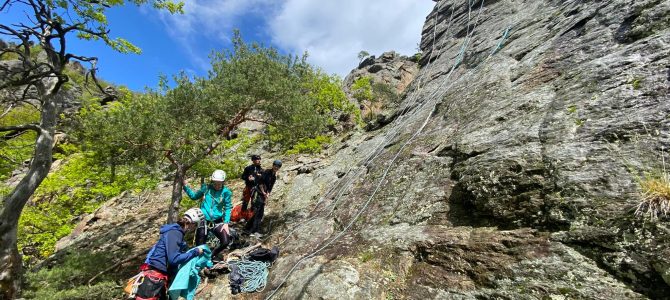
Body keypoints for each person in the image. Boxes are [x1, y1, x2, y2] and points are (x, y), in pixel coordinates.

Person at [135, 208, 204, 300]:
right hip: (153, 280)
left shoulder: (174, 232)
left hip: (156, 278)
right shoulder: (175, 233)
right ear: (192, 224)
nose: (193, 229)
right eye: (195, 226)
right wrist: (195, 252)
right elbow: (174, 259)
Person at [182, 169, 233, 260]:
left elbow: (228, 207)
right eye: (215, 183)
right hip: (203, 220)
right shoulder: (206, 188)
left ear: (223, 182)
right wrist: (185, 186)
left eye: (219, 183)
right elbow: (194, 196)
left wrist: (226, 223)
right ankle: (199, 262)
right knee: (199, 245)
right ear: (212, 181)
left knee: (225, 241)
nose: (217, 185)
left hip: (217, 221)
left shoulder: (226, 192)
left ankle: (211, 256)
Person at [245, 159, 282, 237]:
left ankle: (248, 228)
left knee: (259, 213)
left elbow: (270, 187)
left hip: (263, 194)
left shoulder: (274, 176)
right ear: (273, 165)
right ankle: (254, 231)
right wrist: (263, 192)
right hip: (258, 192)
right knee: (258, 212)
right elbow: (260, 182)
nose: (276, 167)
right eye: (275, 165)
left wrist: (267, 194)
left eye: (278, 166)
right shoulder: (267, 172)